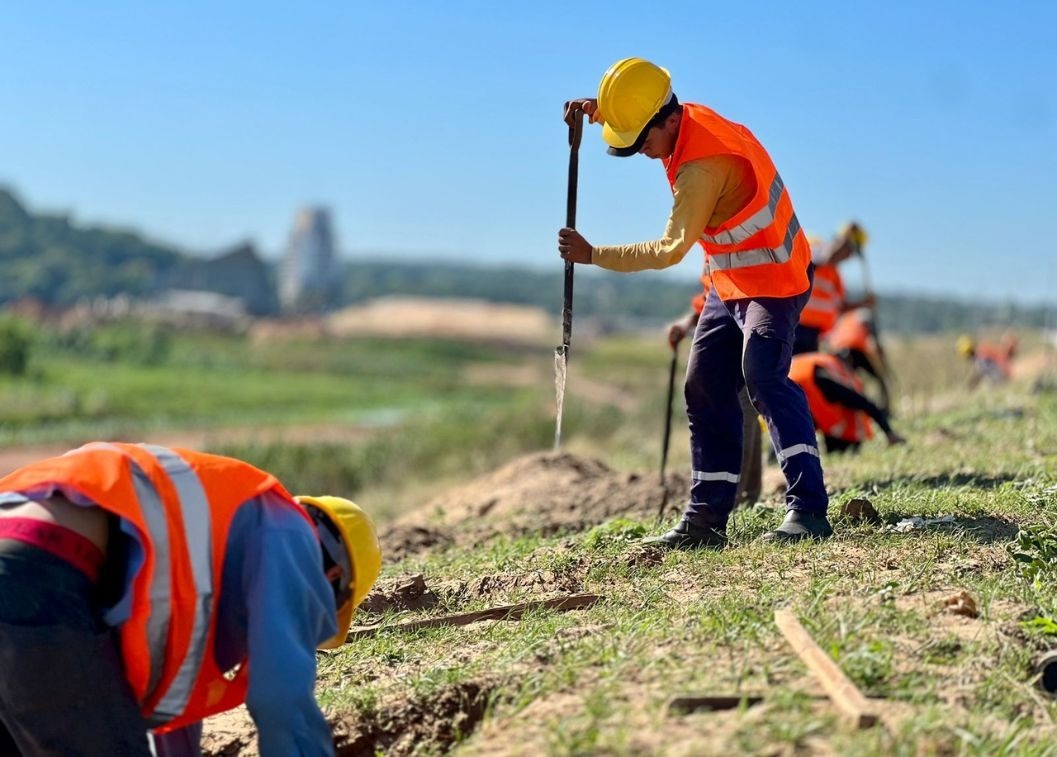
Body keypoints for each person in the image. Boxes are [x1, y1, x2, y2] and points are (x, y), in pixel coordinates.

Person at [559, 57, 830, 546]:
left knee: (763, 375)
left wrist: (592, 253)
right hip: (730, 280)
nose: (642, 152)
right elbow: (644, 113)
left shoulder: (699, 170)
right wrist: (605, 113)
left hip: (774, 276)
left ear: (667, 121)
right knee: (703, 383)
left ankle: (808, 509)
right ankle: (705, 522)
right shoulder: (675, 120)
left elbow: (669, 251)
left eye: (642, 141)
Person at [0, 441, 381, 756]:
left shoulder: (212, 546)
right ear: (331, 578)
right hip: (42, 573)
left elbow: (172, 724)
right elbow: (282, 702)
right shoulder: (290, 533)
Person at [668, 281, 762, 507]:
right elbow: (716, 288)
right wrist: (690, 319)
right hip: (727, 327)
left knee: (742, 413)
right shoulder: (713, 251)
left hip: (745, 328)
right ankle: (746, 497)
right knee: (744, 414)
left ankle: (730, 503)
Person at [789, 352, 905, 453]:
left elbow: (862, 401)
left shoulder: (814, 375)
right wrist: (889, 432)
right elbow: (864, 402)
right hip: (839, 429)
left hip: (789, 390)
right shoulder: (826, 377)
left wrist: (888, 432)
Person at [794, 223, 876, 355]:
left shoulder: (834, 276)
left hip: (813, 335)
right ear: (840, 241)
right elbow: (823, 258)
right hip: (794, 327)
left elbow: (840, 307)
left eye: (851, 252)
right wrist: (846, 238)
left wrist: (864, 303)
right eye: (848, 249)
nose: (847, 256)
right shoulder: (815, 249)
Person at [823, 307, 892, 413]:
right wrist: (881, 357)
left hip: (838, 352)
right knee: (879, 379)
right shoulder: (865, 315)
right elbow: (875, 338)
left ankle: (849, 409)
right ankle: (883, 409)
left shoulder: (843, 317)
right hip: (854, 351)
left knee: (845, 382)